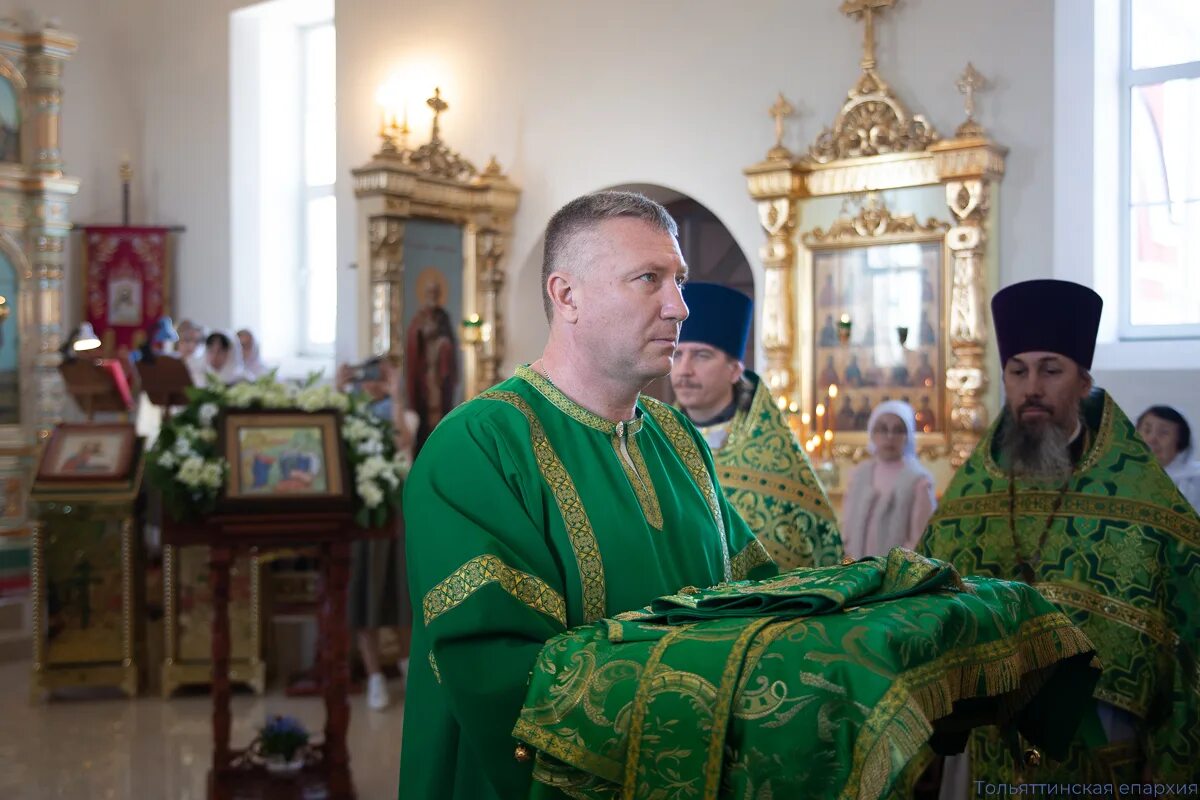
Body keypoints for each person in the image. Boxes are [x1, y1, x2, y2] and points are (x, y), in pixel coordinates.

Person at [399, 191, 774, 800]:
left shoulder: (677, 439)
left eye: (678, 280)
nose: (680, 307)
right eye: (648, 279)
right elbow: (495, 669)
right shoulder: (478, 446)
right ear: (566, 295)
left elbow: (754, 597)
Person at [919, 279, 1200, 788]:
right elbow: (928, 599)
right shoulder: (970, 494)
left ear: (1084, 382)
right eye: (1018, 371)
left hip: (1103, 734)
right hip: (993, 737)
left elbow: (1185, 613)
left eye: (1051, 370)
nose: (1032, 387)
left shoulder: (1138, 492)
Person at [670, 281, 843, 570]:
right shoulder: (653, 438)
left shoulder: (774, 456)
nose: (685, 369)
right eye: (677, 355)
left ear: (734, 369)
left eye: (701, 355)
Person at [336, 356, 419, 711]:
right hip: (361, 513)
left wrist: (395, 395)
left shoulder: (405, 414)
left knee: (400, 593)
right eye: (366, 376)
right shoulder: (350, 415)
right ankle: (373, 676)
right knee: (364, 594)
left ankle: (406, 667)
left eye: (377, 376)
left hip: (395, 510)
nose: (371, 383)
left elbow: (403, 440)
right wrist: (339, 389)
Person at [841, 400, 936, 558]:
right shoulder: (859, 474)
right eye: (882, 429)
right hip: (857, 571)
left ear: (908, 435)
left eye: (898, 430)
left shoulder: (918, 480)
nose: (890, 436)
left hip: (896, 574)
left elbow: (920, 538)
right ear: (872, 432)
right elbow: (847, 530)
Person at [405, 280, 459, 454]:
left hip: (439, 373)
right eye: (430, 292)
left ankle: (440, 440)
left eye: (436, 292)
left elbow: (450, 339)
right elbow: (413, 343)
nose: (433, 296)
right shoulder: (419, 317)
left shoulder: (443, 316)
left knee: (440, 405)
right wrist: (421, 334)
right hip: (425, 372)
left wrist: (445, 345)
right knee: (425, 408)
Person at [1137, 404, 1200, 511]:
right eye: (1147, 430)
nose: (1151, 439)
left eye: (1164, 433)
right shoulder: (1119, 474)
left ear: (1180, 441)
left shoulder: (1195, 480)